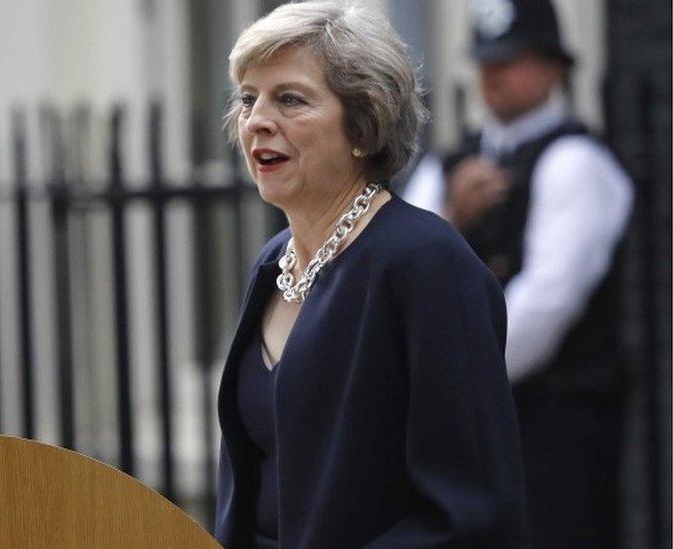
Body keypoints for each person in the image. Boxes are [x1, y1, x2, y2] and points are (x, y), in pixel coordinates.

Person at [214, 2, 528, 547]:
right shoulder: (271, 265)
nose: (257, 120)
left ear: (364, 124)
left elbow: (472, 513)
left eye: (290, 99)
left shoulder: (428, 265)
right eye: (248, 98)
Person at [403, 1, 633, 547]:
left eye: (512, 59)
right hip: (461, 426)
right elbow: (397, 278)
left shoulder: (576, 162)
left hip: (552, 430)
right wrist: (453, 220)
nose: (494, 74)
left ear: (555, 67)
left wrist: (453, 382)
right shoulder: (447, 167)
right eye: (485, 60)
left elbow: (547, 305)